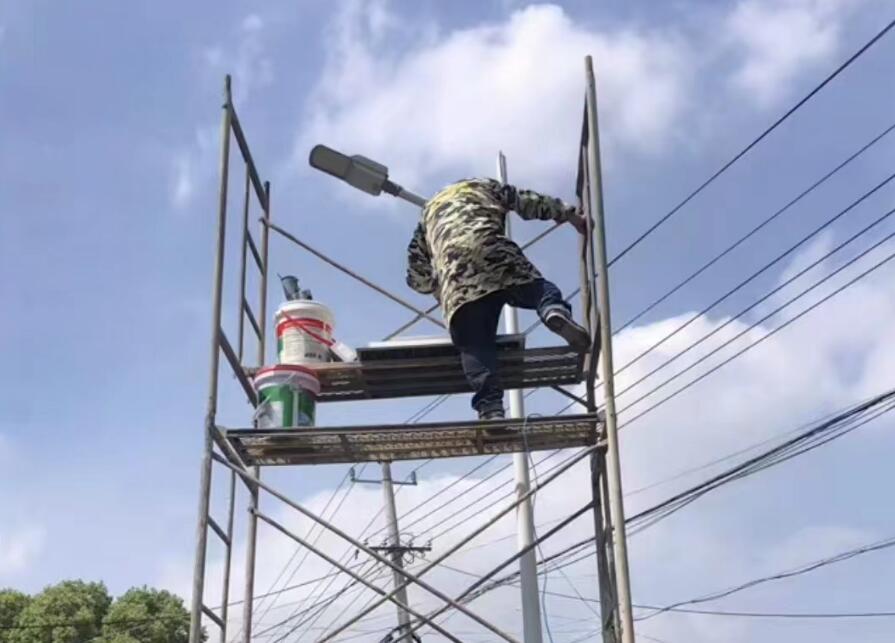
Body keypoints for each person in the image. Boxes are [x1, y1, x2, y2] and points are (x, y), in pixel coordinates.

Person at [406, 177, 590, 420]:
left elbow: (416, 270)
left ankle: (490, 408)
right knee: (537, 289)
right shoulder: (484, 185)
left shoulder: (428, 212)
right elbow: (527, 201)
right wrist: (568, 214)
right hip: (493, 251)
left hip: (456, 278)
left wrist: (436, 289)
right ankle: (552, 310)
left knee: (475, 345)